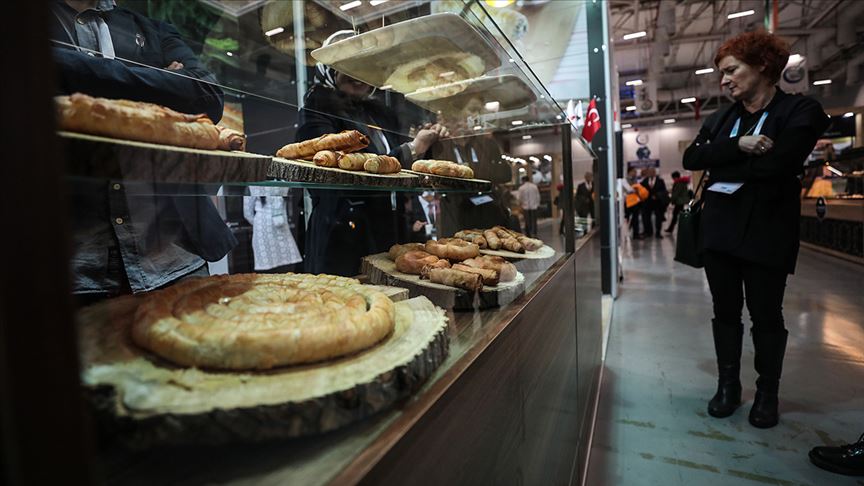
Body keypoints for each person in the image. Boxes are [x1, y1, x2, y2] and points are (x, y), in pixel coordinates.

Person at [682, 30, 830, 428]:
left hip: (768, 230)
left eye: (732, 70)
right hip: (719, 229)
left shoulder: (800, 110)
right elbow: (692, 157)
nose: (724, 80)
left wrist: (721, 161)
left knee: (766, 314)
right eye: (722, 73)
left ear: (763, 65)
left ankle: (767, 394)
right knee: (724, 311)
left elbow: (781, 163)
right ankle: (728, 386)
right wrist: (739, 146)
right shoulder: (722, 118)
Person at [50, 0, 236, 298]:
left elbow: (207, 95)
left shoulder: (152, 29)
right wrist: (162, 80)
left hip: (175, 256)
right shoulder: (20, 21)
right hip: (71, 265)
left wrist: (76, 74)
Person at [300, 31, 448, 275]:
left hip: (387, 228)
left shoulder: (377, 115)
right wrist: (413, 148)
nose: (359, 77)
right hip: (344, 234)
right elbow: (336, 175)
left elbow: (398, 171)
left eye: (365, 68)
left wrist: (428, 143)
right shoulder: (318, 109)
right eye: (349, 68)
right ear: (329, 69)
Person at [243, 187, 302, 273]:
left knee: (269, 269)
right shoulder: (283, 184)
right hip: (279, 224)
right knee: (286, 268)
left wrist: (258, 224)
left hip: (265, 227)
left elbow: (247, 213)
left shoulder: (252, 186)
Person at [640, 167, 668, 238]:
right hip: (647, 202)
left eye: (652, 172)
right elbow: (641, 190)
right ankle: (648, 232)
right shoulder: (644, 181)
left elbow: (664, 191)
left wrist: (657, 195)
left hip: (658, 202)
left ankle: (658, 233)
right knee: (646, 217)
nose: (651, 173)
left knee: (658, 218)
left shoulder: (660, 181)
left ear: (655, 173)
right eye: (649, 172)